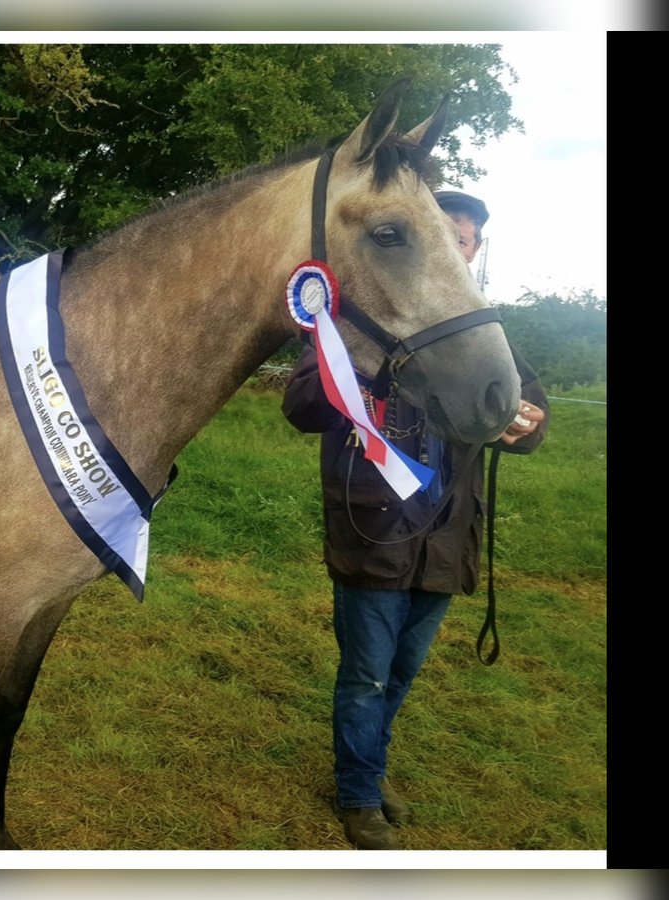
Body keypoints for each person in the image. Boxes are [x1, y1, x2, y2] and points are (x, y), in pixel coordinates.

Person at [281, 190, 549, 850]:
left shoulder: (479, 332)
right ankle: (359, 794)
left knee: (400, 672)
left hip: (448, 539)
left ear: (473, 252)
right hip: (374, 530)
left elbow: (526, 409)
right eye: (443, 234)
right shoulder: (364, 320)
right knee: (367, 675)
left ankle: (367, 769)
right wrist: (365, 375)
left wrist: (524, 424)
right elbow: (302, 404)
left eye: (464, 239)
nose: (454, 246)